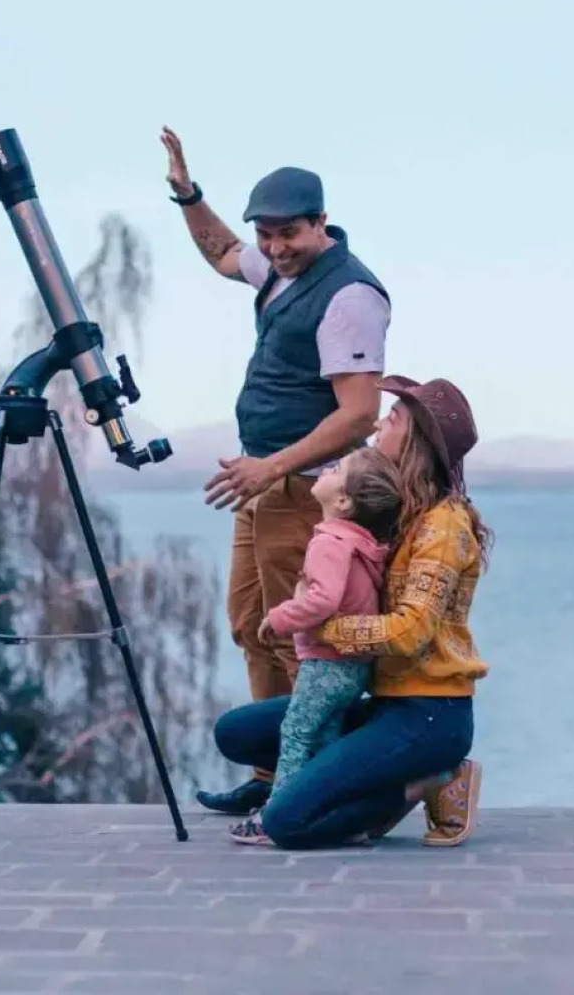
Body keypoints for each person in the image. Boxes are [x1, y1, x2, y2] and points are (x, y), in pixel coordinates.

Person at [159, 127, 392, 818]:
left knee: (305, 648)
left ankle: (312, 783)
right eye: (267, 234)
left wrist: (273, 469)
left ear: (321, 222)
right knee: (252, 624)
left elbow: (358, 413)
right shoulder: (280, 272)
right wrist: (186, 193)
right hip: (262, 486)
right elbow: (222, 253)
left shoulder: (349, 296)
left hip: (306, 493)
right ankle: (270, 773)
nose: (274, 247)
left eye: (288, 233)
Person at [211, 375, 492, 848]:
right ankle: (363, 774)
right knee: (236, 733)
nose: (380, 422)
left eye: (395, 418)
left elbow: (410, 633)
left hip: (429, 714)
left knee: (286, 823)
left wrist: (323, 627)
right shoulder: (396, 509)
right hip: (383, 701)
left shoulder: (443, 526)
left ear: (418, 441)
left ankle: (426, 780)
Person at [229, 446, 403, 845]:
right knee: (326, 737)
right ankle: (334, 812)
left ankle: (274, 815)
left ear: (343, 500)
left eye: (337, 468)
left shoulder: (330, 542)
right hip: (353, 667)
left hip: (327, 663)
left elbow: (323, 600)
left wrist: (278, 618)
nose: (326, 468)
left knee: (294, 732)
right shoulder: (360, 543)